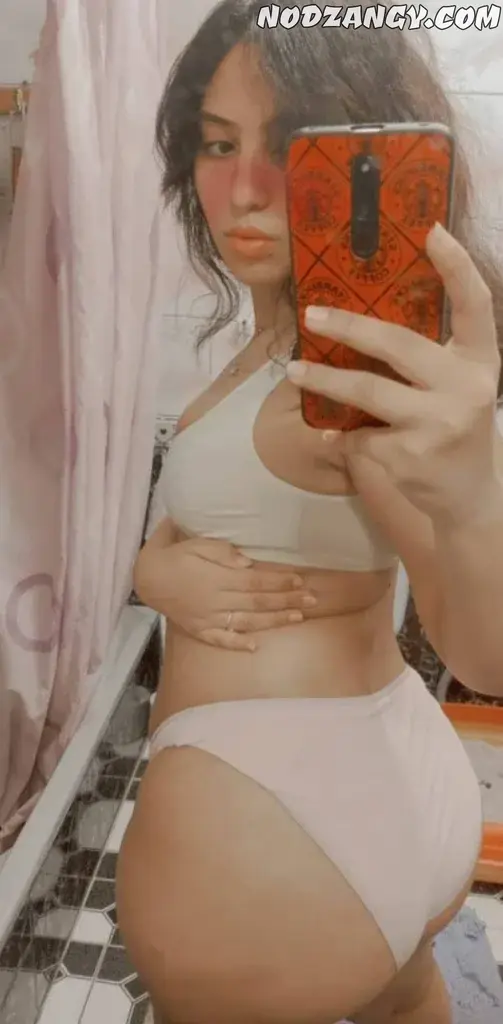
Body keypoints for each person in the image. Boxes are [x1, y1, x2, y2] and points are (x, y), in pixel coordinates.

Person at [116, 3, 503, 1022]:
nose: (243, 188)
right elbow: (239, 514)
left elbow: (485, 646)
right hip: (392, 791)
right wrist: (154, 568)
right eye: (216, 143)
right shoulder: (280, 340)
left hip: (273, 849)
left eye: (292, 144)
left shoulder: (355, 380)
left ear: (365, 157)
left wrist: (473, 496)